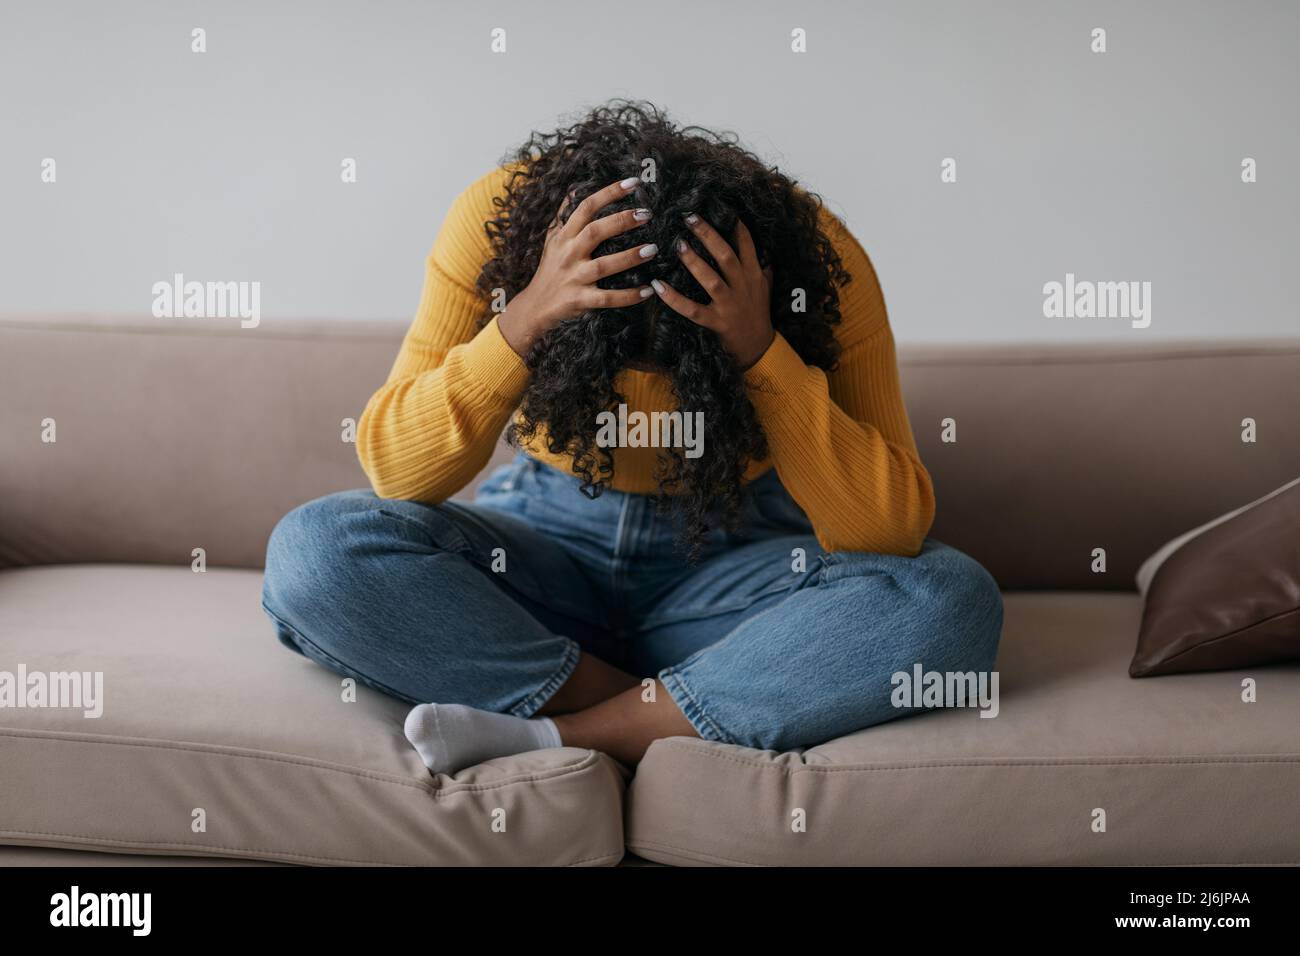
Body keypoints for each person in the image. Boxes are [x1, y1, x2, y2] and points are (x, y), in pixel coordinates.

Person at [261, 101, 1002, 774]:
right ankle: (661, 710)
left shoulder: (816, 259)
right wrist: (521, 323)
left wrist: (758, 350)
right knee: (313, 552)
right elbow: (397, 470)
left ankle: (574, 734)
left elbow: (890, 527)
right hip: (540, 550)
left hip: (733, 560)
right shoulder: (496, 220)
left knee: (951, 597)